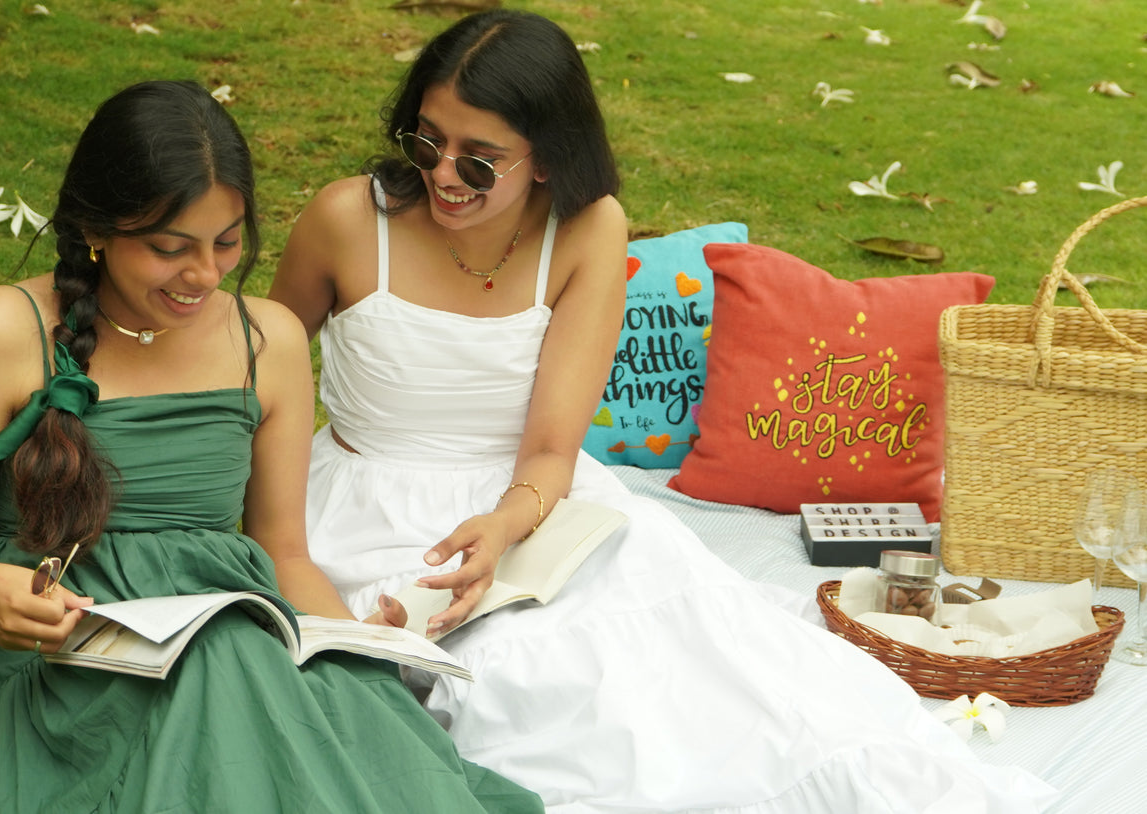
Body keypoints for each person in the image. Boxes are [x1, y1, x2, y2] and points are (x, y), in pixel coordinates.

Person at [268, 11, 1058, 813]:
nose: (443, 174)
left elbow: (548, 446)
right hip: (366, 509)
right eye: (426, 140)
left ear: (546, 159)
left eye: (480, 161)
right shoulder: (344, 220)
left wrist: (503, 528)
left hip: (534, 505)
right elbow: (250, 375)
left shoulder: (586, 228)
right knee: (518, 692)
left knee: (713, 677)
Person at [0, 79, 543, 814]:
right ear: (97, 229)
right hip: (60, 656)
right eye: (170, 249)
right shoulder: (3, 332)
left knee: (343, 740)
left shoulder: (268, 341)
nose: (205, 274)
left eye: (226, 242)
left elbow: (283, 551)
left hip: (232, 634)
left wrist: (346, 639)